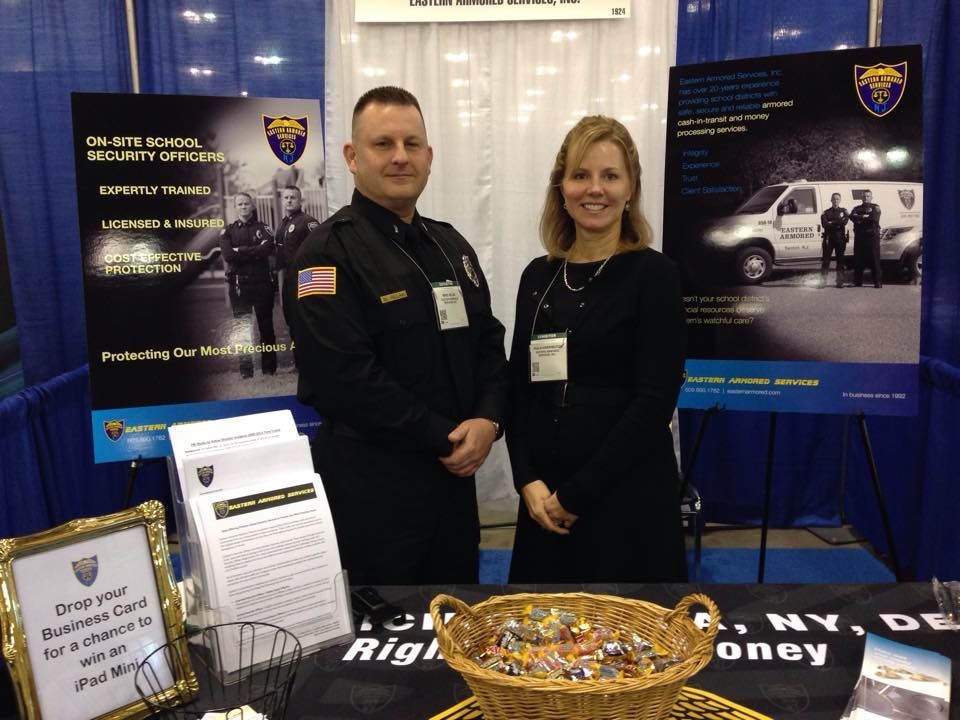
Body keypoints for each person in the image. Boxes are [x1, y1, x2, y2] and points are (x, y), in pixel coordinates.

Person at [291, 86, 508, 585]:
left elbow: (488, 343)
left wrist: (489, 419)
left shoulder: (450, 244)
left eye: (412, 144)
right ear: (352, 155)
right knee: (379, 653)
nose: (399, 157)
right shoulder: (325, 255)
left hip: (452, 490)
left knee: (455, 628)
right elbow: (346, 378)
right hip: (373, 498)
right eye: (382, 144)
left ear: (429, 156)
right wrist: (448, 435)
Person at [507, 115, 687, 584]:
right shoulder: (537, 277)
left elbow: (653, 403)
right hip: (543, 499)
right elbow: (517, 388)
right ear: (561, 187)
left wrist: (576, 496)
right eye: (580, 175)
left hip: (627, 497)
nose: (595, 189)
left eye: (610, 176)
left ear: (631, 189)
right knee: (539, 647)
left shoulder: (656, 277)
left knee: (633, 650)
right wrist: (527, 480)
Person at [219, 192, 277, 377]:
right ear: (235, 207)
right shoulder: (227, 231)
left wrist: (240, 251)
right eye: (240, 204)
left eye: (247, 204)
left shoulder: (264, 228)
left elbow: (267, 248)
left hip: (262, 284)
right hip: (238, 286)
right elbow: (228, 255)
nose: (244, 207)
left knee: (266, 327)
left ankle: (269, 369)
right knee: (242, 330)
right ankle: (246, 372)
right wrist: (254, 250)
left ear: (252, 206)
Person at [275, 185, 319, 330]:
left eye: (293, 198)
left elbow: (317, 252)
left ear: (300, 201)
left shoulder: (308, 222)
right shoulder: (282, 224)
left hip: (304, 276)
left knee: (305, 318)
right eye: (286, 198)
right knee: (290, 317)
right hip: (288, 277)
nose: (289, 201)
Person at [849, 190, 883, 288]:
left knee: (875, 260)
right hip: (860, 237)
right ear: (861, 197)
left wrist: (860, 218)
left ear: (872, 197)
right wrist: (864, 216)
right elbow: (851, 217)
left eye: (868, 196)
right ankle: (858, 282)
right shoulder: (856, 208)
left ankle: (878, 282)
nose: (866, 198)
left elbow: (874, 219)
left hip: (872, 237)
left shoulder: (875, 207)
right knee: (858, 260)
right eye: (864, 196)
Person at [821, 192, 849, 288]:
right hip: (829, 238)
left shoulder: (844, 211)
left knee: (840, 261)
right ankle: (823, 282)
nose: (835, 201)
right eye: (834, 199)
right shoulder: (826, 212)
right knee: (826, 261)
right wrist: (837, 222)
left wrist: (831, 222)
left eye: (837, 199)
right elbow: (824, 224)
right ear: (831, 200)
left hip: (840, 239)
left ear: (840, 200)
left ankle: (839, 282)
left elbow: (844, 222)